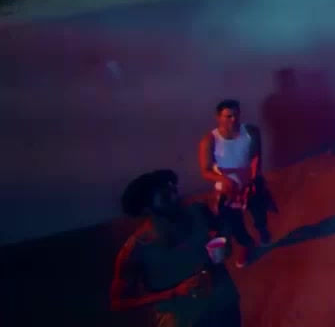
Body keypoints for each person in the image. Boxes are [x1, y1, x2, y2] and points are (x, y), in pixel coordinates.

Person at [110, 169, 242, 327]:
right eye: (166, 197)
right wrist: (174, 292)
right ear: (146, 209)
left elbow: (223, 236)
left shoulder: (198, 212)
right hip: (186, 319)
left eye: (174, 191)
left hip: (224, 304)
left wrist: (225, 245)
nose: (176, 198)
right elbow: (119, 302)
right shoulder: (137, 249)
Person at [198, 99, 272, 268]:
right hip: (227, 189)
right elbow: (205, 171)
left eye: (236, 115)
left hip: (250, 181)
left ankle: (263, 231)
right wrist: (224, 180)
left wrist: (253, 177)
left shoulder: (251, 132)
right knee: (234, 224)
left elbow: (256, 157)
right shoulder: (209, 140)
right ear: (218, 117)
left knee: (259, 210)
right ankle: (247, 245)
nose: (233, 120)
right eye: (228, 116)